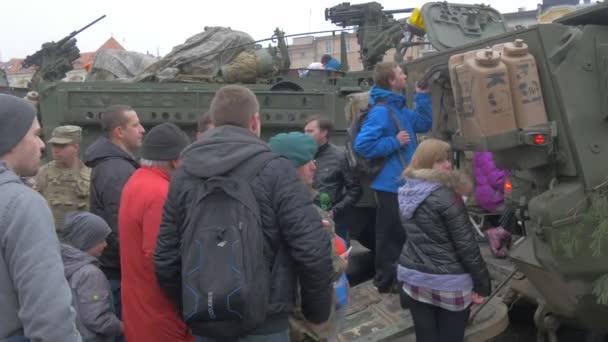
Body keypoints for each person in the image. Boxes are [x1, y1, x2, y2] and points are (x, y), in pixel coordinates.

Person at [154, 85, 333, 341]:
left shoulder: (184, 175)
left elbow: (165, 256)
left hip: (206, 317)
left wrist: (194, 303)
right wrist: (316, 312)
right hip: (266, 320)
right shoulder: (276, 169)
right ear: (254, 121)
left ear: (213, 122)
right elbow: (311, 248)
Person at [0, 94, 81, 341]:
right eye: (35, 134)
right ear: (11, 139)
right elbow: (49, 318)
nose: (43, 145)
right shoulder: (21, 204)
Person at [397, 139, 491, 342]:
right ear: (426, 162)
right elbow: (466, 246)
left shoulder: (405, 191)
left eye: (448, 159)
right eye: (439, 161)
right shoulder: (446, 195)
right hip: (449, 283)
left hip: (414, 280)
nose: (448, 165)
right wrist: (482, 285)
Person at [353, 61, 432, 293]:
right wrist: (395, 142)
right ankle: (386, 281)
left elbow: (425, 124)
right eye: (400, 73)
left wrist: (422, 96)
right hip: (389, 185)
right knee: (390, 236)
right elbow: (363, 145)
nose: (404, 75)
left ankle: (399, 278)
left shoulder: (398, 108)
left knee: (400, 233)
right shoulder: (381, 111)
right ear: (391, 80)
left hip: (401, 183)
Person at [268, 132, 349, 342]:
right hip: (305, 323)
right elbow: (322, 267)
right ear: (289, 169)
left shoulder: (265, 202)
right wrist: (341, 262)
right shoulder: (304, 212)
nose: (314, 166)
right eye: (305, 162)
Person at [119, 123, 194, 342]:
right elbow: (162, 259)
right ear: (175, 161)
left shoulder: (136, 181)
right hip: (162, 316)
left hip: (140, 310)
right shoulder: (161, 194)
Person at [84, 104, 145, 322]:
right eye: (135, 124)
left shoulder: (118, 165)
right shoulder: (116, 170)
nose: (142, 129)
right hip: (118, 273)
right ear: (119, 131)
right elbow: (120, 226)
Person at [61, 212, 123, 342]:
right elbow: (97, 319)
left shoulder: (61, 264)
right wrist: (122, 327)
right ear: (87, 240)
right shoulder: (90, 274)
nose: (106, 244)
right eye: (101, 240)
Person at [304, 115, 361, 243]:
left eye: (310, 131)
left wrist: (335, 211)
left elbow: (355, 190)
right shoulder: (301, 155)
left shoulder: (340, 157)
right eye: (305, 131)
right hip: (306, 218)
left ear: (324, 132)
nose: (305, 135)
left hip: (334, 220)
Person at [35, 125, 91, 231]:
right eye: (54, 145)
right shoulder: (43, 173)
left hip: (82, 238)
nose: (56, 150)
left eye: (62, 146)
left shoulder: (90, 175)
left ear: (76, 147)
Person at [473, 151, 513, 257]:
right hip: (494, 196)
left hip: (499, 193)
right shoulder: (485, 151)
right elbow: (497, 180)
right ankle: (500, 231)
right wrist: (517, 184)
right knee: (519, 204)